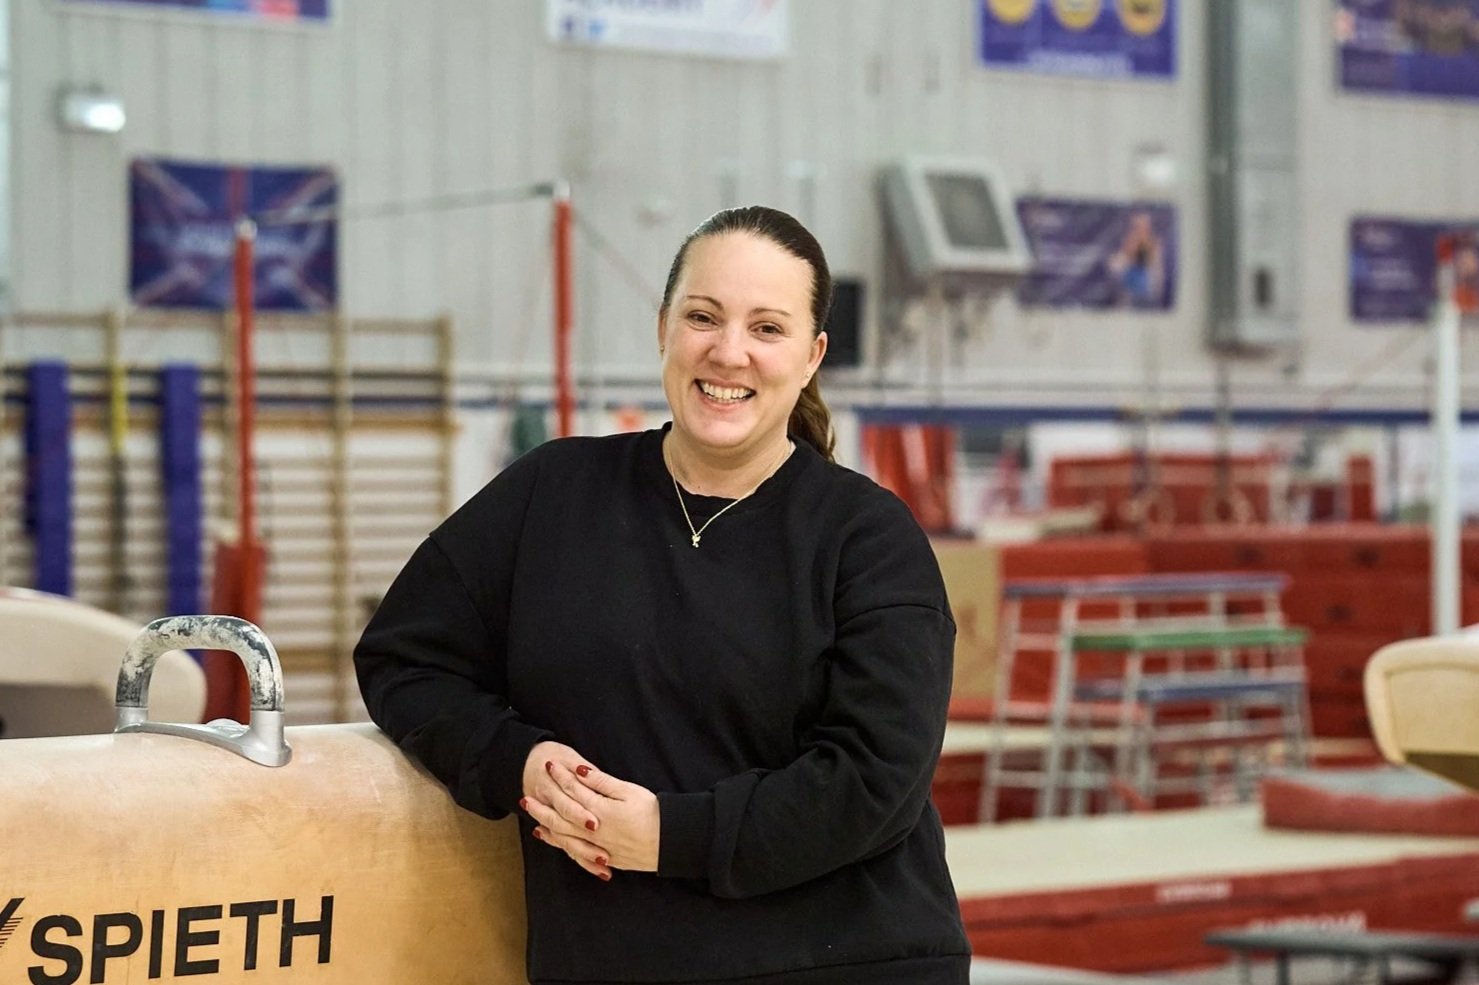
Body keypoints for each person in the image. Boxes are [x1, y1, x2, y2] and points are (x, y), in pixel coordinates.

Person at [354, 205, 971, 984]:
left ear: (812, 356)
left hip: (835, 957)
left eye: (767, 328)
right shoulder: (550, 493)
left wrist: (671, 835)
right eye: (703, 316)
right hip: (612, 957)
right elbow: (405, 657)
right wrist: (515, 761)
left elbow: (875, 781)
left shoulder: (867, 538)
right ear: (663, 327)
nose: (729, 351)